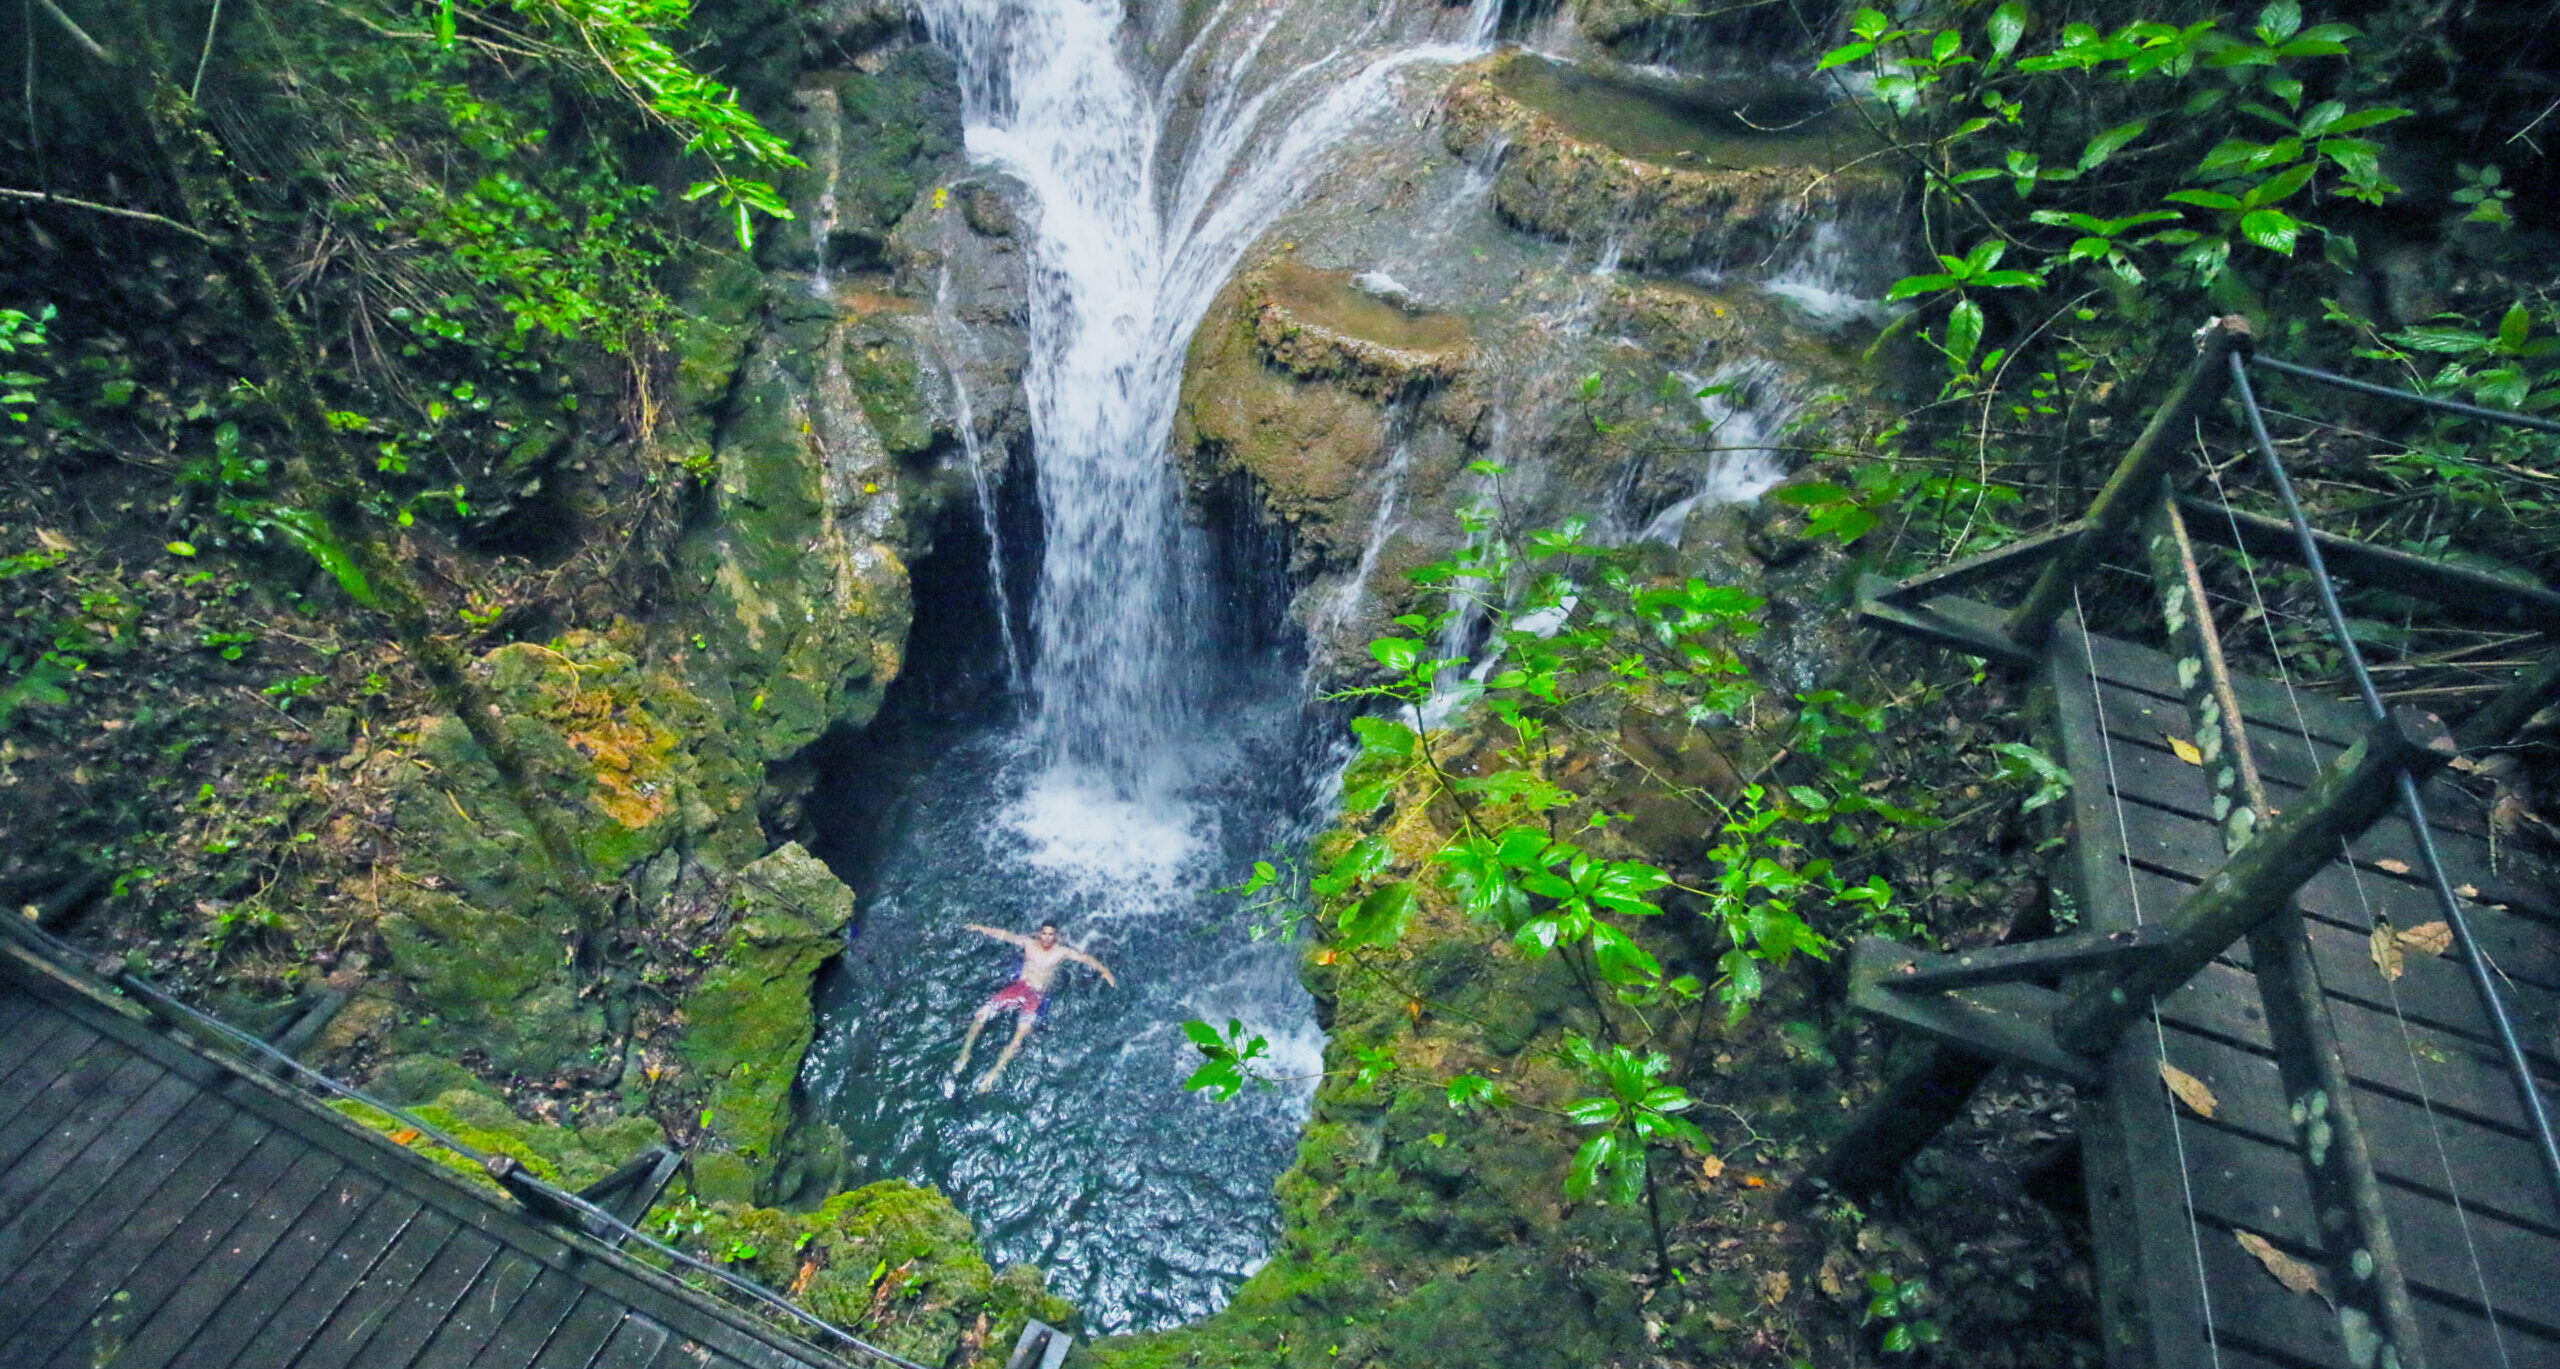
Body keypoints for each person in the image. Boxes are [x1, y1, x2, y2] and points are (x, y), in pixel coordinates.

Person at [949, 920, 1115, 1092]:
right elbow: (1004, 934)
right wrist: (980, 928)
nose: (1047, 938)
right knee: (981, 1014)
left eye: (1051, 934)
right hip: (1019, 988)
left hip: (1035, 996)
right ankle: (964, 1055)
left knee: (1019, 1035)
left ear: (1055, 936)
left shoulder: (1061, 952)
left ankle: (993, 1074)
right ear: (1040, 933)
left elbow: (1085, 958)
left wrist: (1105, 971)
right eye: (1044, 933)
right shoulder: (1029, 944)